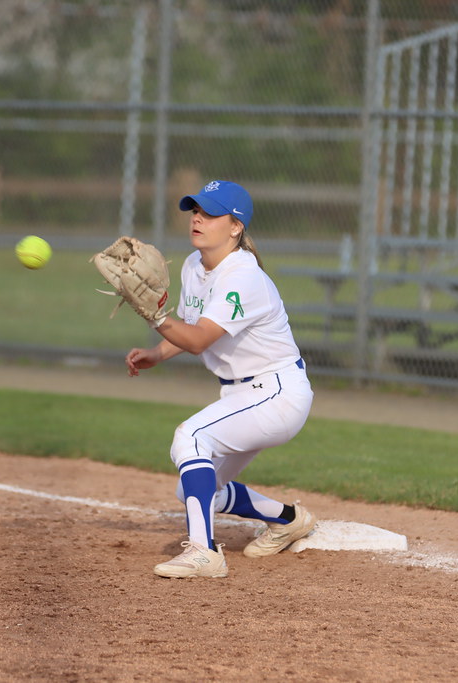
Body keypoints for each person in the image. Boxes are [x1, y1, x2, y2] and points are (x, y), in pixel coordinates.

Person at [124, 180, 318, 578]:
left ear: (235, 227)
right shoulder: (194, 266)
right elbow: (195, 326)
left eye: (210, 213)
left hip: (277, 394)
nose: (198, 217)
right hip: (241, 395)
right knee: (193, 490)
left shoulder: (243, 276)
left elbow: (197, 341)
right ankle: (288, 520)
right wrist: (157, 354)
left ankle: (204, 552)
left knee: (191, 438)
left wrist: (156, 318)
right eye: (195, 209)